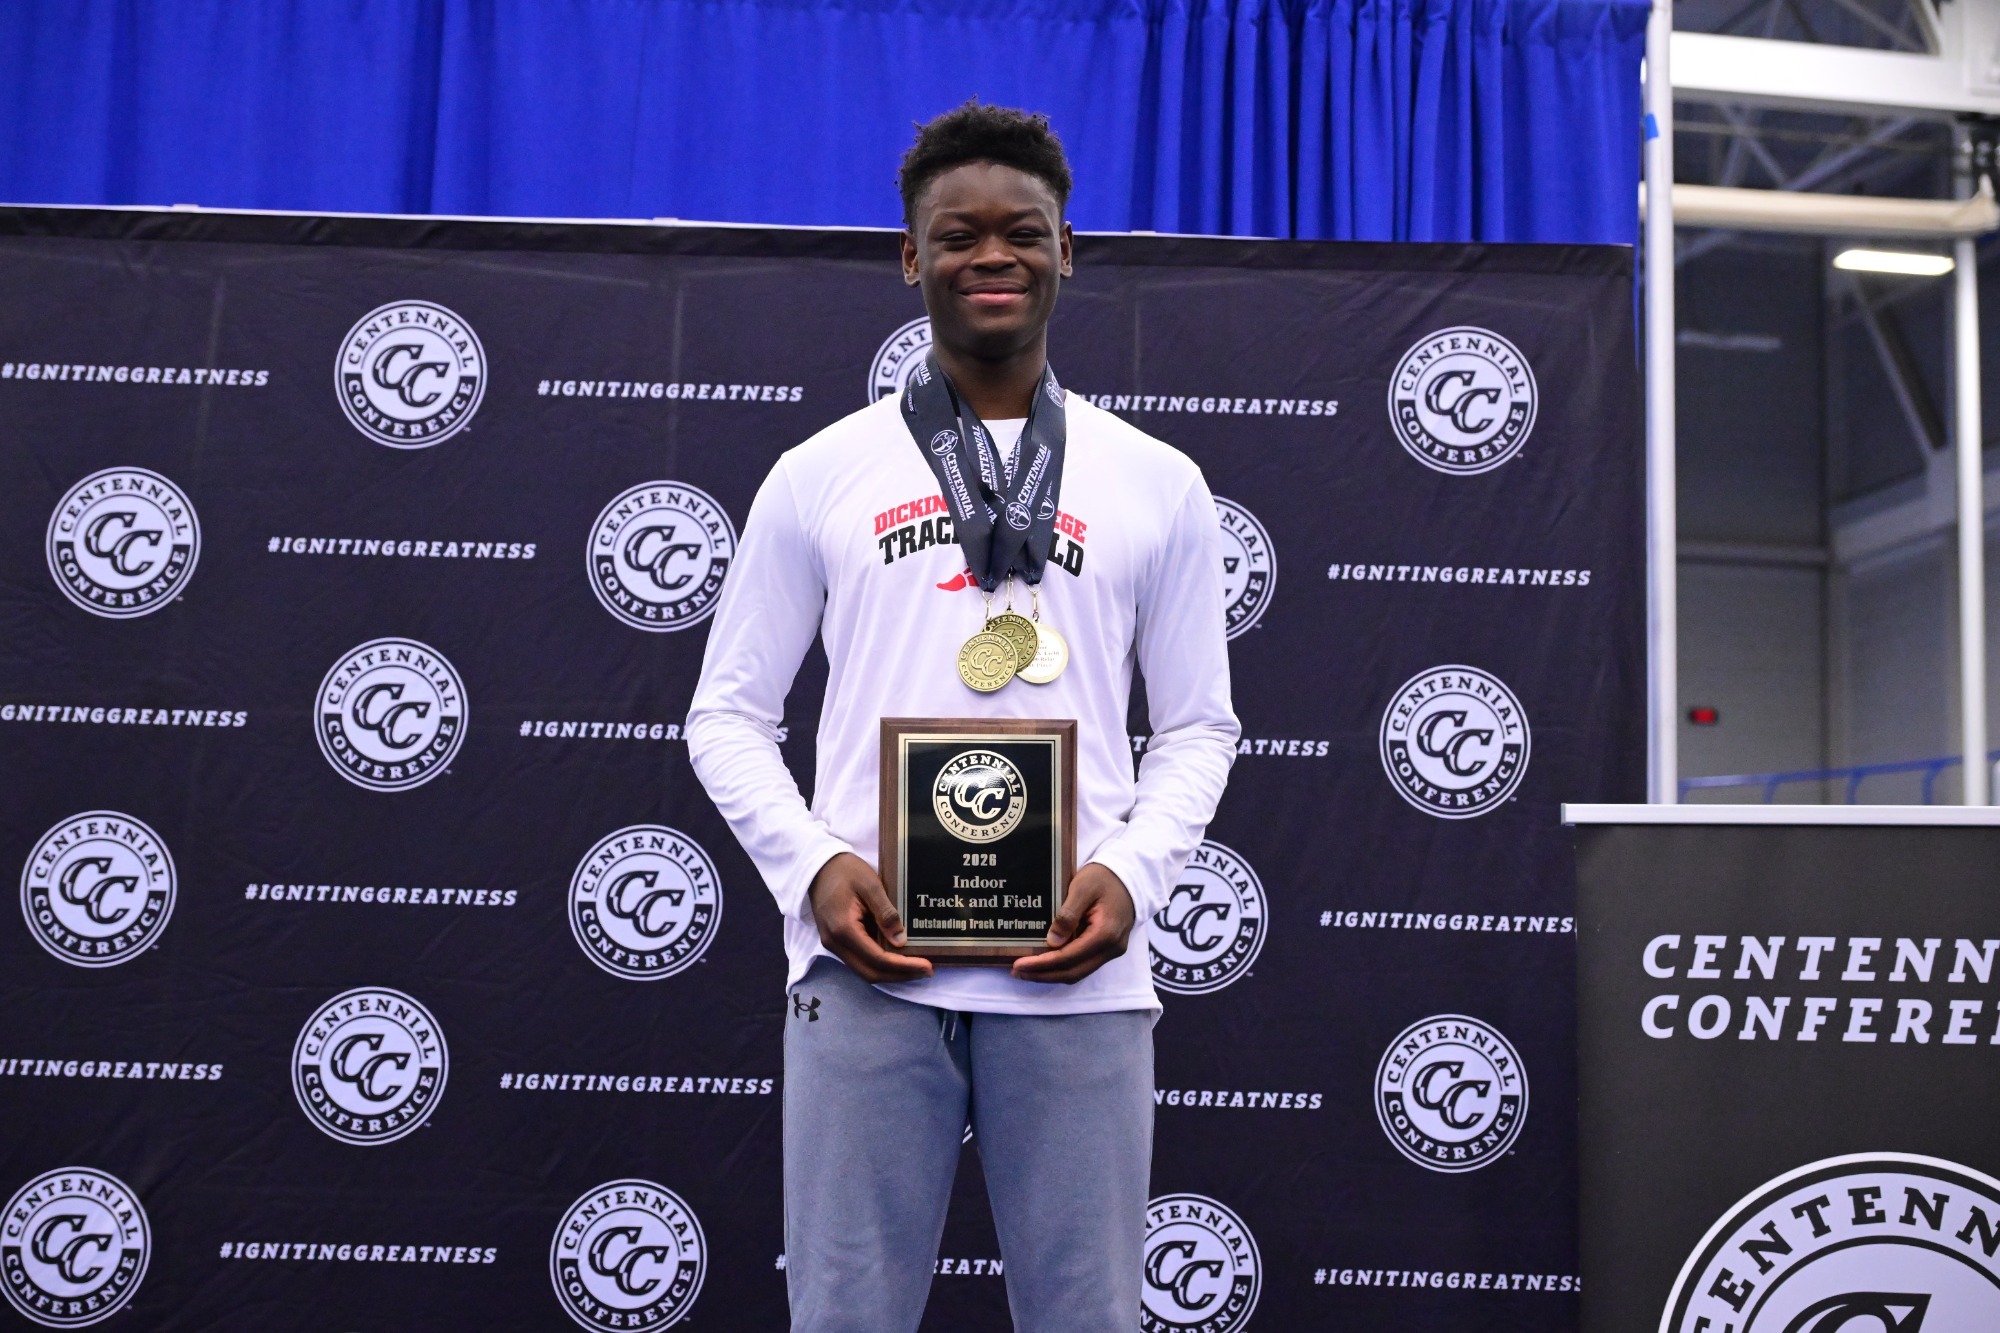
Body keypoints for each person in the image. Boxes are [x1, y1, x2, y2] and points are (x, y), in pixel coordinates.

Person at [686, 101, 1238, 1333]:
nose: (992, 255)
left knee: (1086, 1318)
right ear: (909, 259)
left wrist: (1131, 876)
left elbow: (1199, 726)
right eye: (958, 235)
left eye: (1022, 232)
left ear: (1065, 250)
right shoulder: (818, 471)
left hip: (1077, 974)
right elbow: (724, 713)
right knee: (843, 1318)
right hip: (868, 966)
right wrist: (815, 864)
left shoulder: (1159, 482)